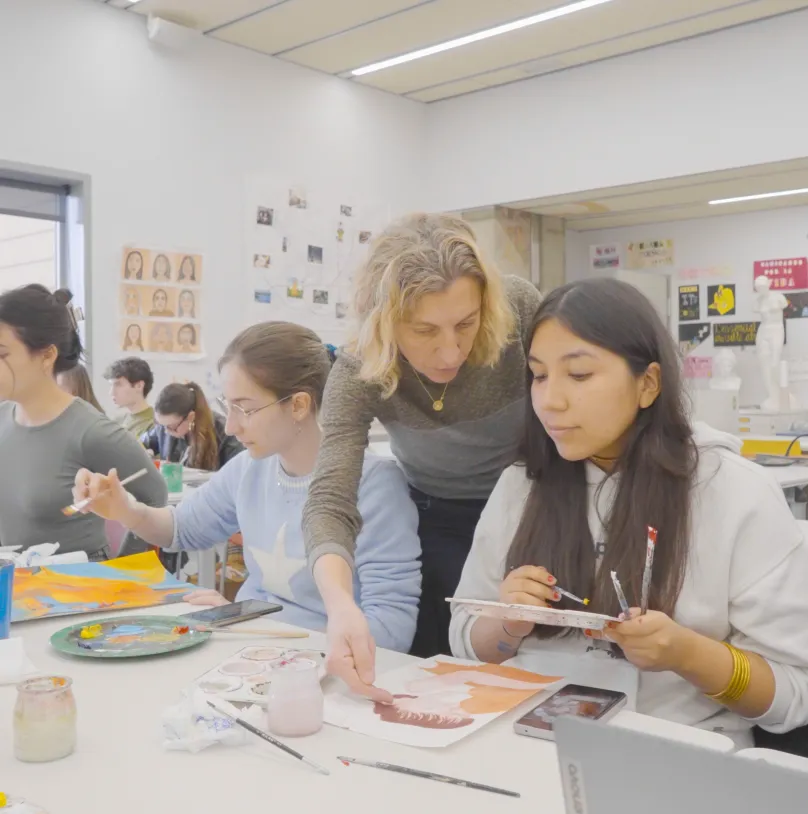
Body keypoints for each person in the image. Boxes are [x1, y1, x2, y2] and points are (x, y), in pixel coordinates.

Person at [449, 278, 808, 748]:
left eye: (578, 375)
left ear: (648, 383)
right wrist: (507, 624)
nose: (550, 401)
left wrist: (689, 654)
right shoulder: (523, 483)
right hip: (524, 741)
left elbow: (793, 694)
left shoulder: (735, 494)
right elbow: (463, 639)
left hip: (672, 756)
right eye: (539, 375)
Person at [301, 212, 542, 698]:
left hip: (534, 506)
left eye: (465, 324)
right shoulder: (360, 368)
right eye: (424, 331)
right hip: (438, 515)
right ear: (383, 321)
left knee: (536, 663)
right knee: (442, 671)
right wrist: (342, 605)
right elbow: (330, 500)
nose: (449, 352)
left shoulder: (520, 308)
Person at [73, 322, 421, 651]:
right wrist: (125, 509)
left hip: (321, 672)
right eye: (229, 406)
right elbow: (182, 530)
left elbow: (390, 630)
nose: (231, 427)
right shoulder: (249, 468)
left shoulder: (374, 484)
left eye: (246, 409)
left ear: (299, 404)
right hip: (253, 651)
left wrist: (256, 627)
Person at [0, 285, 167, 557]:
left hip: (76, 590)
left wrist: (122, 569)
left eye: (2, 354)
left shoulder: (91, 431)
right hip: (14, 586)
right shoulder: (2, 418)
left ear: (46, 355)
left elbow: (155, 495)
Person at [142, 381, 242, 471]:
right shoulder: (164, 427)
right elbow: (143, 444)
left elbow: (236, 474)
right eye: (161, 425)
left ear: (190, 416)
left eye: (171, 427)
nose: (166, 431)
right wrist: (147, 455)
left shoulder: (225, 432)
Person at [104, 357, 155, 437]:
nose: (112, 392)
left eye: (118, 385)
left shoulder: (153, 425)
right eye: (111, 385)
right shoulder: (116, 421)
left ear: (139, 386)